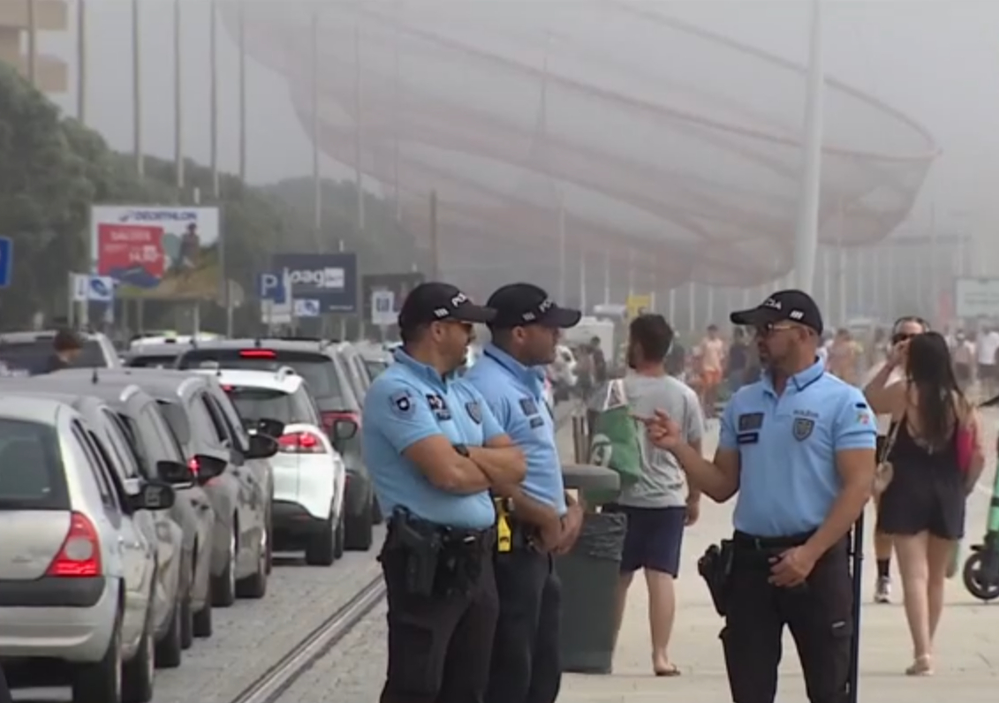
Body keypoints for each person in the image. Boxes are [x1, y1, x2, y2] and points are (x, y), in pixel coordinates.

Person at [640, 289, 876, 703]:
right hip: (752, 566)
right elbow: (720, 484)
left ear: (804, 333)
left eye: (768, 329)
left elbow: (859, 487)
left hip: (816, 565)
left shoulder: (843, 402)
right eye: (755, 330)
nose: (757, 339)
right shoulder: (745, 402)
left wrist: (809, 553)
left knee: (829, 690)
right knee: (749, 690)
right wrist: (677, 447)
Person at [361, 281, 527, 703]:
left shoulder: (462, 391)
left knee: (468, 688)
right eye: (464, 325)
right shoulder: (398, 391)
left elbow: (517, 465)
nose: (472, 335)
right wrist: (482, 464)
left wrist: (466, 453)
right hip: (429, 560)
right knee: (418, 685)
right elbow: (447, 476)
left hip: (478, 558)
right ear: (437, 330)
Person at [464, 283, 585, 703]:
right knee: (510, 672)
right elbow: (483, 472)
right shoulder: (486, 387)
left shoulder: (530, 382)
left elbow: (536, 460)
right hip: (509, 546)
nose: (558, 336)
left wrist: (567, 506)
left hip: (540, 549)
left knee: (542, 669)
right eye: (550, 328)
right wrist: (543, 514)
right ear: (519, 333)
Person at [863, 331, 985, 676]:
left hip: (906, 486)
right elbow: (977, 455)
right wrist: (964, 488)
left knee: (913, 575)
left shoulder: (905, 392)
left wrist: (891, 363)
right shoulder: (961, 402)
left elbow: (869, 399)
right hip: (947, 489)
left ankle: (922, 653)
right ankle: (927, 646)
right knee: (934, 579)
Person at [607, 313, 703, 676]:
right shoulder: (684, 395)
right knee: (661, 576)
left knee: (618, 578)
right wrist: (695, 496)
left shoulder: (616, 390)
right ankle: (660, 655)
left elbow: (598, 443)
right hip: (666, 500)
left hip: (620, 497)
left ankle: (606, 648)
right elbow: (693, 448)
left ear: (637, 346)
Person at [860, 316, 929, 603]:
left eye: (914, 337)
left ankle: (918, 574)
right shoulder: (882, 371)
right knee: (886, 516)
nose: (907, 343)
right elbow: (865, 402)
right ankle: (884, 574)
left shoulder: (932, 373)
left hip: (922, 449)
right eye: (901, 336)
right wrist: (890, 365)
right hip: (884, 445)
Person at [695, 324, 726, 417]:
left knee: (714, 390)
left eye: (714, 331)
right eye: (711, 331)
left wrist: (723, 369)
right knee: (707, 389)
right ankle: (706, 409)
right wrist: (699, 368)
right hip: (707, 368)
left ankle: (712, 409)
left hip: (717, 368)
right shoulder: (705, 342)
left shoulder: (719, 343)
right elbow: (700, 355)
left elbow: (721, 357)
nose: (713, 333)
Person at [976, 324, 999, 397]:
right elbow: (978, 349)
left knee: (991, 381)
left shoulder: (996, 336)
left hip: (992, 362)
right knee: (983, 382)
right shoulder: (980, 336)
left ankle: (991, 396)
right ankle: (984, 397)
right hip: (982, 361)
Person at [726, 327, 749, 395]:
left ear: (741, 336)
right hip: (733, 371)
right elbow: (730, 359)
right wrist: (728, 370)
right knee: (733, 391)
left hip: (741, 371)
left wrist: (746, 371)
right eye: (735, 336)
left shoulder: (744, 347)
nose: (736, 338)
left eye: (738, 336)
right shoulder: (732, 348)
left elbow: (747, 359)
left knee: (741, 390)